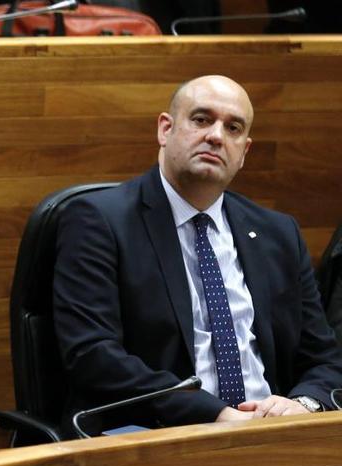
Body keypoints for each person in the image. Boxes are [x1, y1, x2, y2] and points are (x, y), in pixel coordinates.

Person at [53, 75, 342, 435]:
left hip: (270, 434)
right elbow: (93, 356)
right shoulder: (98, 220)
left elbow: (324, 356)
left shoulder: (278, 232)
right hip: (154, 433)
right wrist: (217, 414)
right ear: (165, 129)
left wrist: (303, 404)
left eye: (233, 128)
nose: (217, 136)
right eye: (202, 119)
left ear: (244, 153)